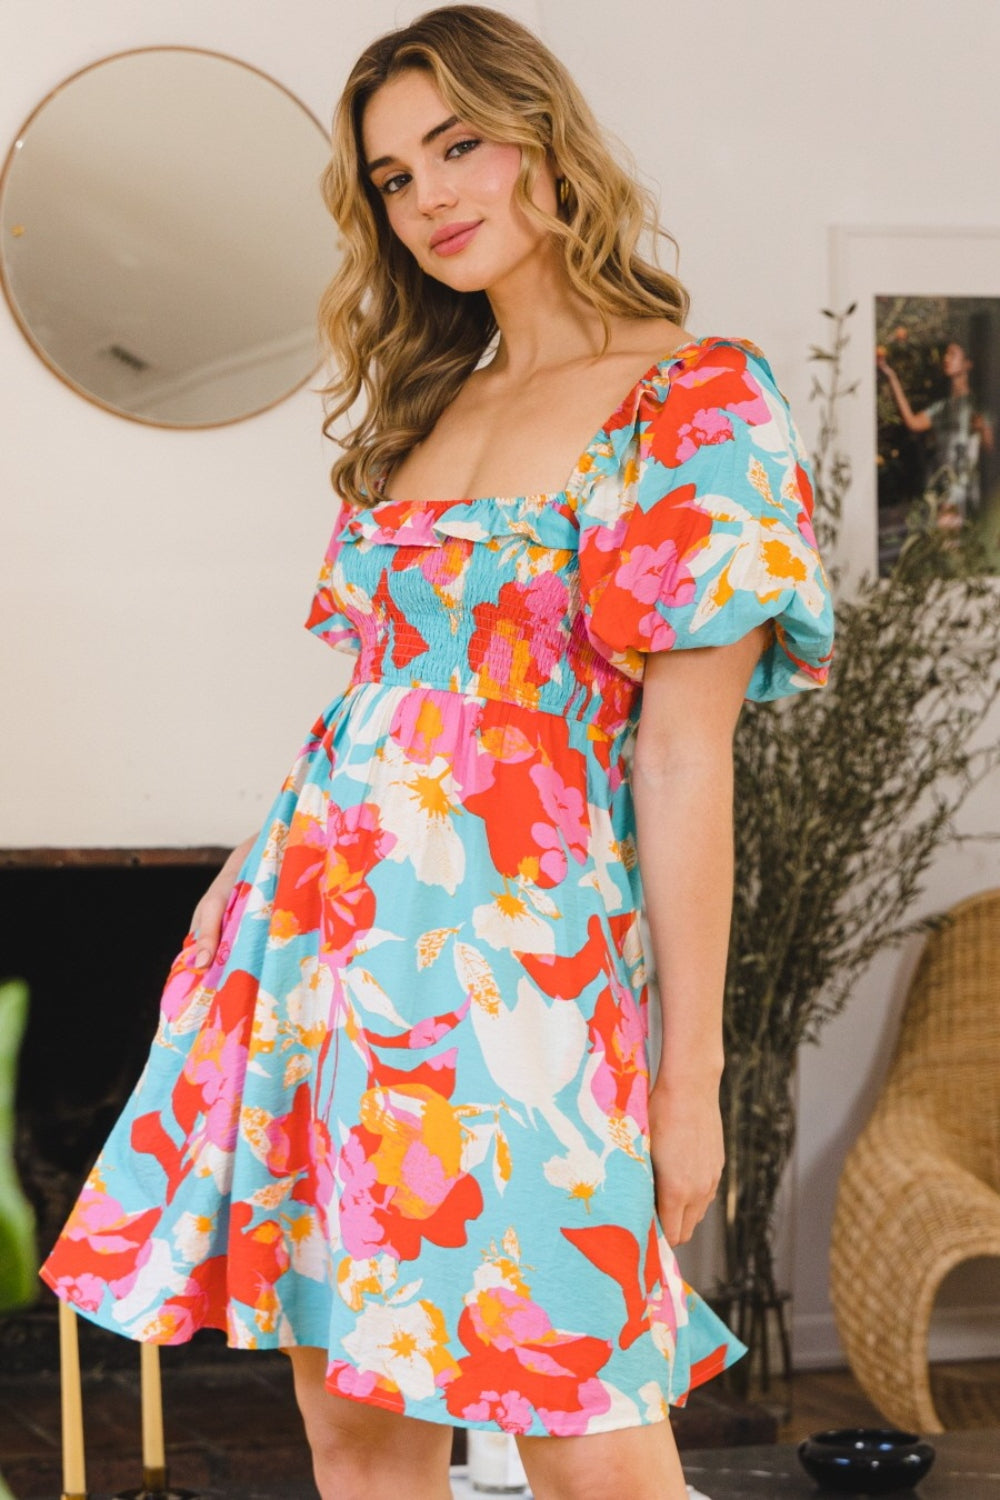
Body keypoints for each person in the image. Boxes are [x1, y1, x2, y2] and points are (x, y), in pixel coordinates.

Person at [41, 8, 835, 1499]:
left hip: (518, 978)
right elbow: (380, 719)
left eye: (457, 143)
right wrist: (227, 907)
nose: (431, 197)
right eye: (396, 177)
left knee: (591, 1440)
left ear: (545, 135)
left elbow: (684, 761)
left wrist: (689, 1073)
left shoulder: (699, 402)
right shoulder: (431, 401)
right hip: (308, 957)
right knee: (351, 1425)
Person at [877, 336, 995, 526]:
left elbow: (991, 449)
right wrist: (891, 376)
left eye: (953, 354)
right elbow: (913, 423)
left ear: (967, 364)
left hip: (964, 491)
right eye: (946, 354)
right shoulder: (942, 408)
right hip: (941, 488)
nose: (946, 359)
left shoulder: (976, 406)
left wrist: (983, 429)